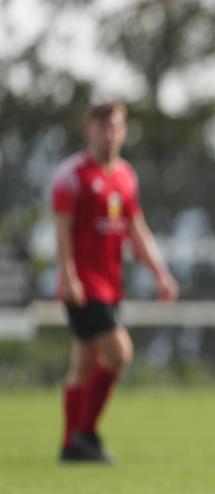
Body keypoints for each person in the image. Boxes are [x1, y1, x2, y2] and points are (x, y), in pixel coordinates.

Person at [52, 101, 179, 462]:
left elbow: (137, 230)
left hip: (110, 286)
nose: (109, 133)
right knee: (120, 352)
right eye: (101, 126)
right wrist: (69, 276)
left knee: (83, 367)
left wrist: (160, 273)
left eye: (115, 126)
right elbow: (60, 230)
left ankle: (68, 446)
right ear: (88, 130)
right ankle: (86, 435)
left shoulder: (125, 175)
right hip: (83, 286)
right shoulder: (72, 175)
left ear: (123, 131)